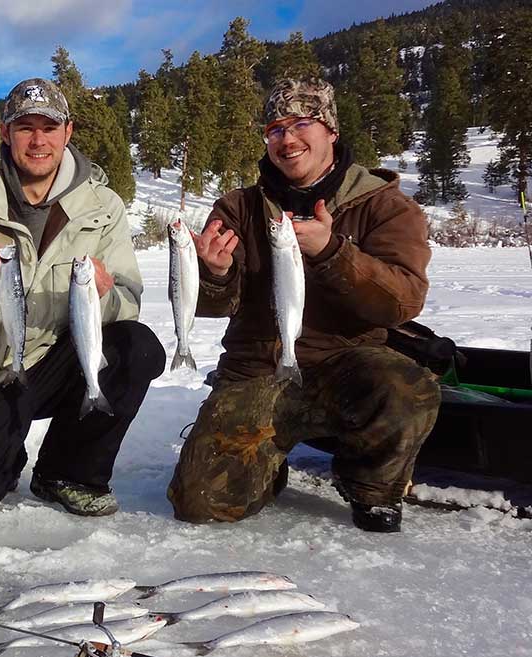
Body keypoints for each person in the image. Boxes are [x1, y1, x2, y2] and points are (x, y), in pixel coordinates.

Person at [166, 78, 440, 533]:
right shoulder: (238, 207)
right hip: (255, 370)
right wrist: (213, 273)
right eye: (275, 128)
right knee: (200, 504)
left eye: (301, 124)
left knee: (405, 388)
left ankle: (371, 486)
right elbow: (214, 305)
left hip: (346, 365)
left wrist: (334, 251)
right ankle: (264, 465)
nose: (287, 139)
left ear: (331, 130)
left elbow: (403, 301)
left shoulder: (385, 208)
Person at [0, 78, 166, 522]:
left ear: (67, 133)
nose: (38, 141)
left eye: (49, 128)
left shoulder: (102, 206)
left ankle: (67, 473)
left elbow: (128, 300)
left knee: (136, 346)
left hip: (56, 364)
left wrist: (103, 293)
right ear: (5, 133)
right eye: (25, 128)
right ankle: (1, 451)